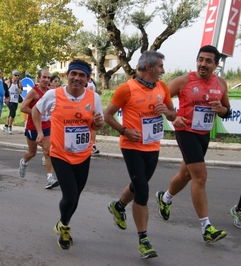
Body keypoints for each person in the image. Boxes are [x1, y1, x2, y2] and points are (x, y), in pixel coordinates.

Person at [105, 51, 176, 259]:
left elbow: (173, 114)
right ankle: (143, 239)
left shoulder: (162, 88)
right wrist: (124, 130)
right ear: (149, 68)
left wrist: (167, 112)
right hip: (132, 146)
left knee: (138, 185)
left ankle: (118, 206)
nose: (163, 71)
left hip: (153, 146)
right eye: (160, 67)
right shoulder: (126, 89)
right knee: (143, 192)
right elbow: (108, 115)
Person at [156, 45, 231, 243]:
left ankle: (165, 198)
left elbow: (228, 111)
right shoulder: (184, 81)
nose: (202, 64)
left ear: (216, 64)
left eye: (208, 61)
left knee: (187, 174)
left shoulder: (221, 83)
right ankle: (206, 226)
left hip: (203, 134)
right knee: (200, 176)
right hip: (186, 132)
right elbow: (160, 99)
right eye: (200, 59)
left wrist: (221, 109)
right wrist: (173, 118)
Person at [32, 59, 104, 249]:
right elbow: (35, 110)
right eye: (74, 74)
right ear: (67, 75)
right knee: (70, 196)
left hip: (83, 155)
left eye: (82, 75)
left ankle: (63, 222)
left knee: (75, 197)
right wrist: (40, 132)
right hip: (60, 154)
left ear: (88, 79)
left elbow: (96, 124)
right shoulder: (53, 95)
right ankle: (65, 228)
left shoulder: (93, 98)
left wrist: (98, 122)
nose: (77, 78)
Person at [19, 69, 59, 190]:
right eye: (44, 77)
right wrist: (36, 113)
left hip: (46, 125)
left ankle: (49, 178)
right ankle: (24, 162)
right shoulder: (34, 92)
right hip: (32, 127)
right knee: (32, 153)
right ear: (39, 78)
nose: (46, 80)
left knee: (48, 151)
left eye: (48, 78)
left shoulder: (50, 92)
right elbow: (22, 107)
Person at [3, 70, 23, 134]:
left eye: (18, 75)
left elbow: (21, 91)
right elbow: (3, 89)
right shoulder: (8, 82)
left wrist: (19, 90)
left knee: (11, 114)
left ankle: (5, 125)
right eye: (15, 75)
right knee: (13, 113)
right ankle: (10, 127)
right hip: (9, 100)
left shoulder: (19, 83)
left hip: (15, 100)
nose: (17, 77)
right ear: (12, 75)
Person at [87, 77, 102, 154]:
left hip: (93, 103)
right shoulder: (83, 80)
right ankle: (89, 145)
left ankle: (93, 145)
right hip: (86, 105)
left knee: (94, 125)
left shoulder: (92, 80)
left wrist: (97, 92)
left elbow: (93, 91)